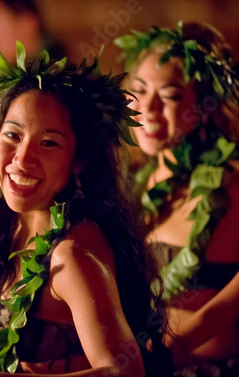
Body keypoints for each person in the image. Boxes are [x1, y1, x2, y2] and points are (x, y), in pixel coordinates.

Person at [0, 42, 169, 377]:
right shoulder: (10, 227)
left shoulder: (72, 254)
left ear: (79, 161)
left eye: (48, 142)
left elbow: (126, 371)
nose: (22, 159)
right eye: (13, 135)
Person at [115, 22, 239, 373]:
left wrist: (171, 351)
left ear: (204, 105)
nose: (148, 108)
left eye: (169, 96)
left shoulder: (231, 184)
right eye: (139, 90)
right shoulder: (137, 179)